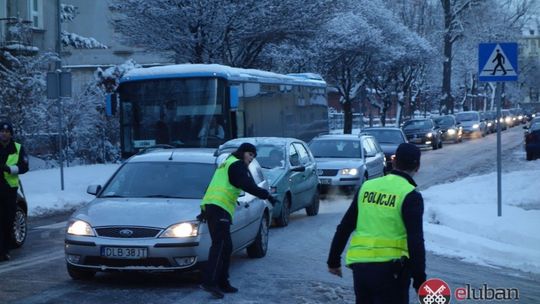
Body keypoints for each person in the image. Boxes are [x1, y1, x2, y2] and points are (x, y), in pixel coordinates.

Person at [327, 143, 426, 304]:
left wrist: (333, 260)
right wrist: (420, 280)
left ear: (394, 162)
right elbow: (415, 241)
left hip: (361, 270)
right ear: (417, 167)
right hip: (393, 272)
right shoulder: (410, 195)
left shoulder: (367, 187)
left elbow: (345, 226)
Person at [200, 142, 277, 299]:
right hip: (219, 208)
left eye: (253, 156)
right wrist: (267, 195)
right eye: (250, 155)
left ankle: (223, 282)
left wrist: (204, 210)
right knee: (220, 246)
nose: (251, 159)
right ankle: (209, 282)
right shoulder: (236, 165)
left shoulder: (227, 163)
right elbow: (247, 185)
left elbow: (212, 187)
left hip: (214, 208)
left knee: (226, 246)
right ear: (243, 152)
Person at [0, 122, 29, 262]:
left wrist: (9, 169)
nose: (4, 133)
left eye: (7, 131)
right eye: (2, 131)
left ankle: (5, 251)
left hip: (10, 191)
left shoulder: (17, 148)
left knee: (7, 221)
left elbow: (24, 166)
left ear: (10, 134)